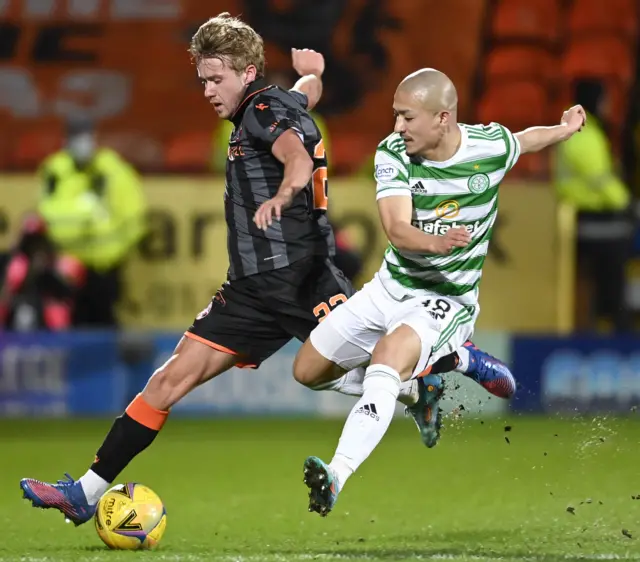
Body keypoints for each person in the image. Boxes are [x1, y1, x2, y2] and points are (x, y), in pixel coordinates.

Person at [19, 16, 512, 526]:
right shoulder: (278, 102)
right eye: (202, 80)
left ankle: (453, 361)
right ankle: (85, 492)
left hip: (304, 280)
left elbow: (294, 156)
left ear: (247, 72)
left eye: (216, 79)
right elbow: (303, 99)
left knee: (369, 365)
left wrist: (283, 192)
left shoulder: (260, 113)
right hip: (250, 290)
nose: (207, 91)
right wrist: (312, 75)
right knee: (167, 381)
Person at [293, 68, 587, 516]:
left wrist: (565, 129)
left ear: (443, 118)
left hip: (445, 299)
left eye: (407, 117)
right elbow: (396, 228)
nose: (397, 127)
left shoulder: (487, 148)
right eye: (396, 116)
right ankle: (421, 387)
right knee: (308, 371)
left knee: (388, 358)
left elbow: (525, 140)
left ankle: (336, 474)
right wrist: (438, 241)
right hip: (391, 287)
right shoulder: (393, 152)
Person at [37, 118, 146, 328]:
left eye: (87, 137)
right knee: (66, 324)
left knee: (104, 325)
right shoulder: (55, 171)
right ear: (65, 141)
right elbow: (46, 214)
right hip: (67, 269)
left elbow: (135, 215)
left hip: (105, 267)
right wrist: (85, 213)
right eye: (77, 137)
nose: (83, 144)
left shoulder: (112, 169)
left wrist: (117, 252)